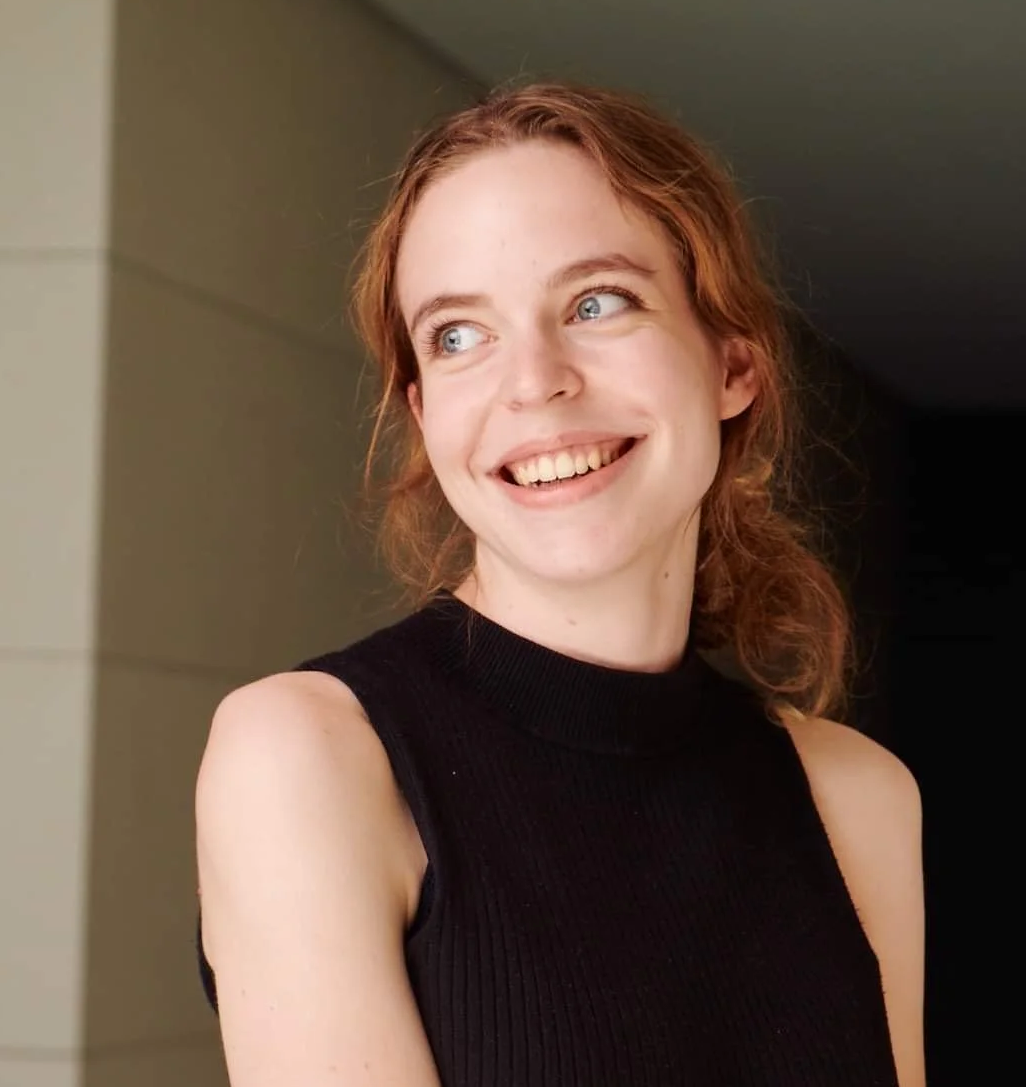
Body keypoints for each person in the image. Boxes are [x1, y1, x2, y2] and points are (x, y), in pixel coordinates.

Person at [194, 80, 925, 1086]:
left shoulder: (857, 798)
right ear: (423, 410)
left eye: (597, 302)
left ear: (731, 365)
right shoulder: (308, 756)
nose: (534, 380)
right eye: (458, 335)